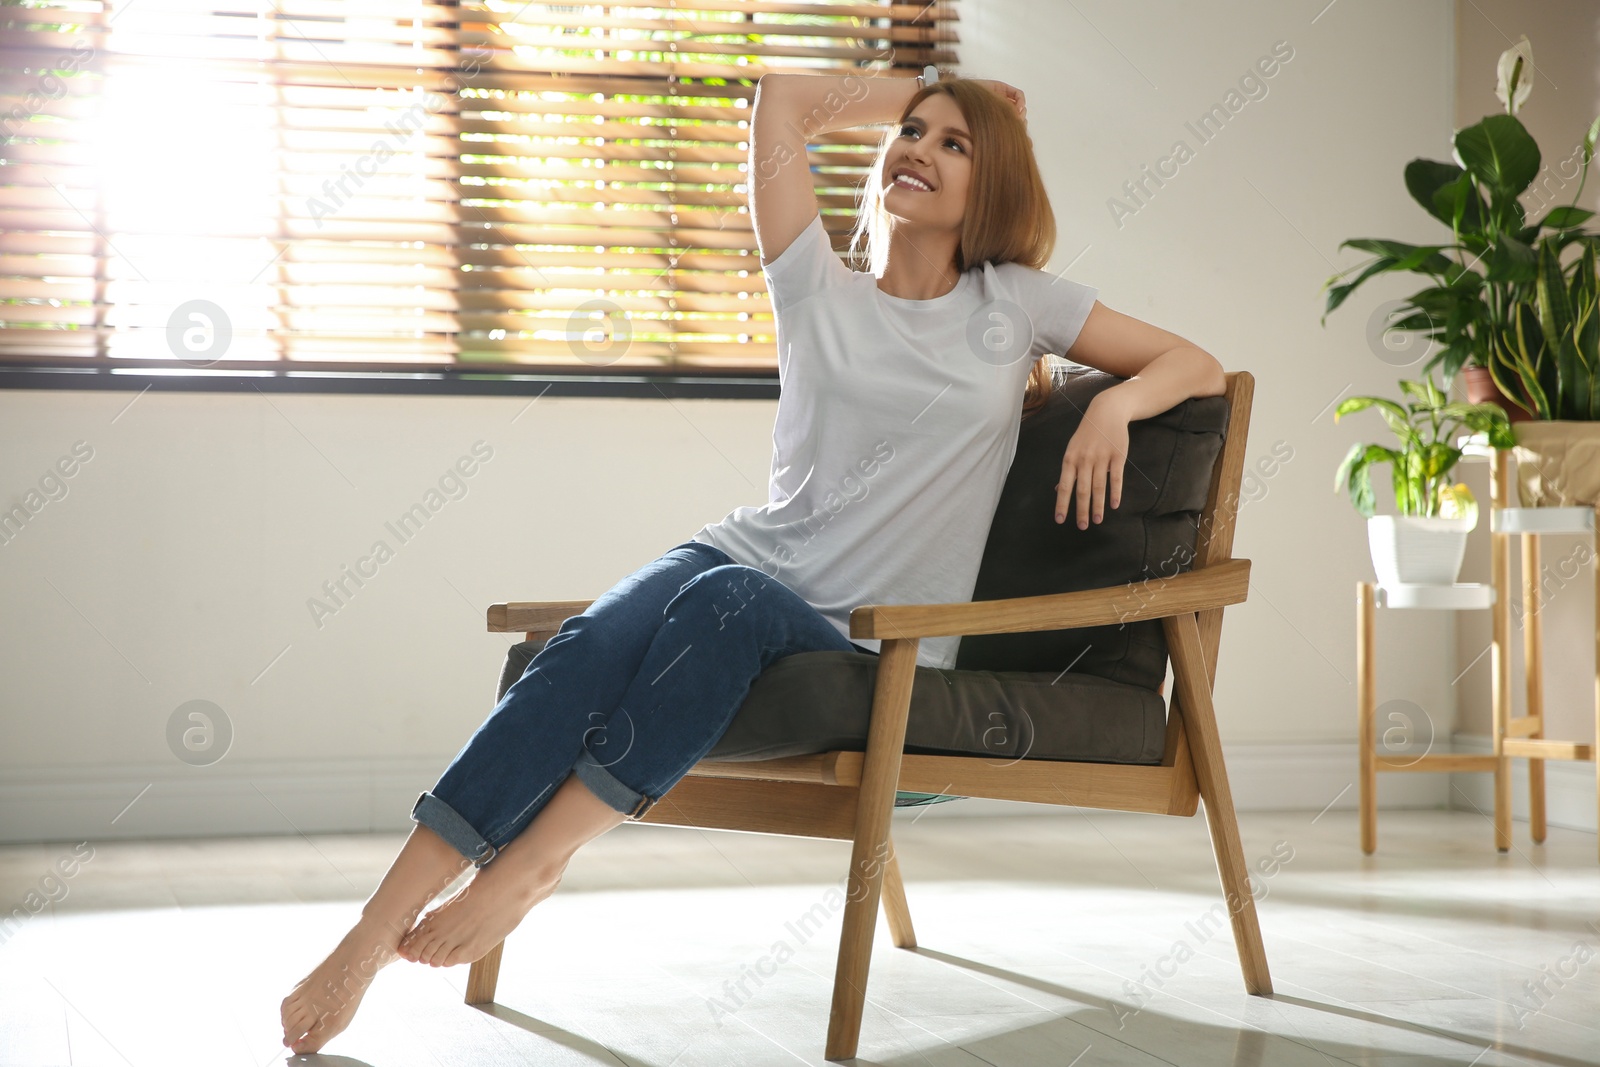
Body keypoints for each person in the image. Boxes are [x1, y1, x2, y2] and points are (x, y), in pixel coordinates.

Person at [279, 68, 1226, 1054]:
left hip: (868, 638)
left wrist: (1112, 404)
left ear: (992, 190)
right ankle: (368, 931)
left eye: (955, 143)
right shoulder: (814, 283)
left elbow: (1192, 363)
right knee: (587, 640)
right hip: (743, 556)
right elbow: (779, 100)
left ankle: (530, 865)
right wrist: (942, 84)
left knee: (726, 600)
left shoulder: (1011, 304)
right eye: (910, 132)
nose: (919, 148)